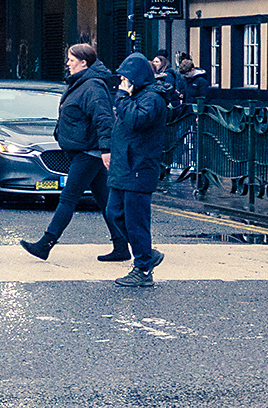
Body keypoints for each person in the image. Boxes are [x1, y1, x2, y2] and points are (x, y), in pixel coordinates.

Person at [19, 43, 129, 262]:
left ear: (83, 62)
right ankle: (123, 247)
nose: (67, 63)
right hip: (87, 150)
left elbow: (104, 119)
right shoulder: (82, 83)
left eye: (71, 59)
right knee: (107, 202)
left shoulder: (92, 86)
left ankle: (45, 244)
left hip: (89, 152)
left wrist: (106, 149)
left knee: (68, 198)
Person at [106, 52, 167, 287]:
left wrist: (122, 97)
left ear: (136, 77)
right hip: (125, 166)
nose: (122, 81)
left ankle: (143, 269)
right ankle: (147, 254)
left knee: (136, 220)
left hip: (139, 166)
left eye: (125, 77)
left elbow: (135, 121)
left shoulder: (152, 98)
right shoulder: (137, 96)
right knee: (114, 213)